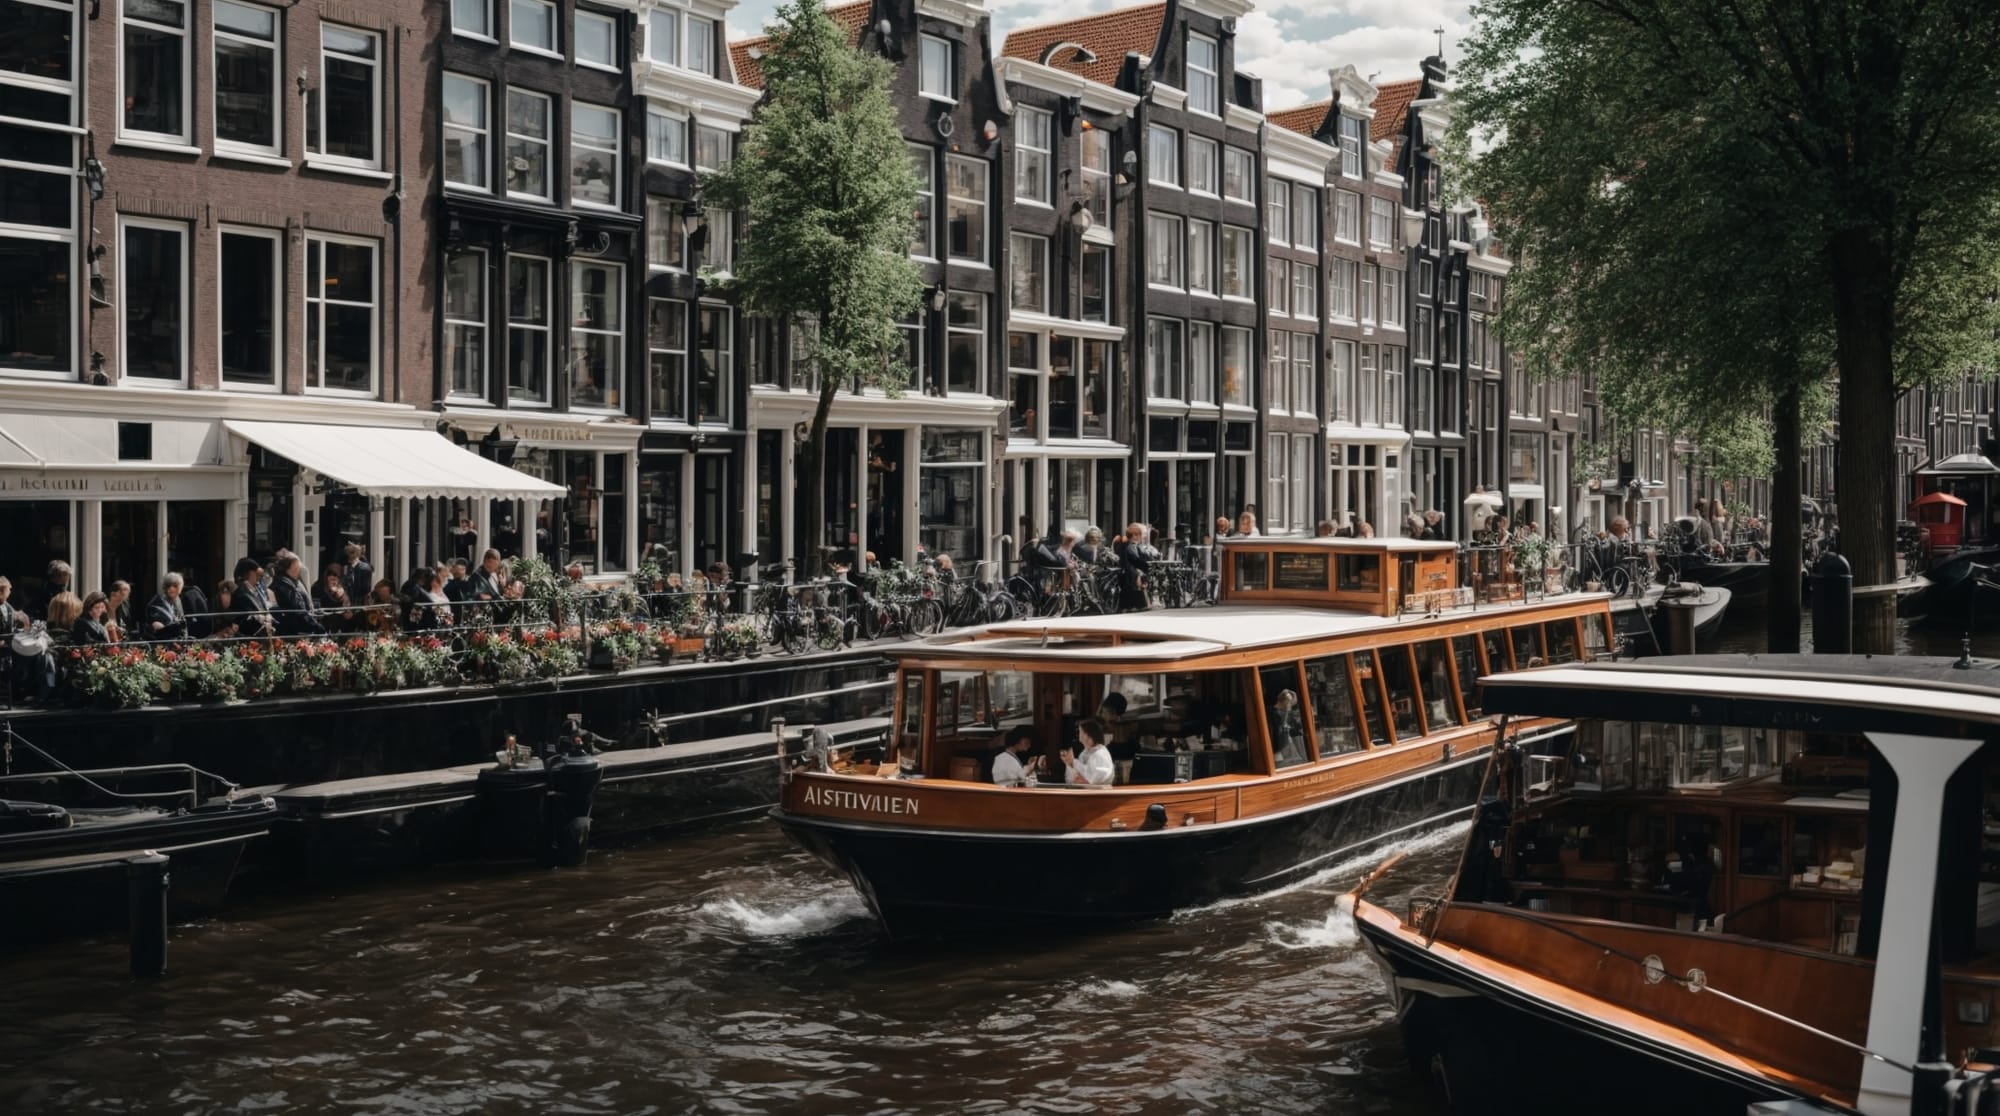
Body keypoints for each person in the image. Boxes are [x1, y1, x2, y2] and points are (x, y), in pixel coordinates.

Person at [271, 555, 324, 636]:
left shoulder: (293, 582)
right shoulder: (285, 584)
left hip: (298, 624)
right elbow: (297, 607)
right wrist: (314, 625)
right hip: (293, 628)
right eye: (296, 569)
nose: (298, 571)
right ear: (288, 570)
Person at [1113, 522, 1157, 613]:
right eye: (1142, 534)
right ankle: (1137, 605)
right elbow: (1135, 559)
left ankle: (1127, 607)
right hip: (1131, 572)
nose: (1143, 537)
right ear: (1136, 535)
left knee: (1128, 590)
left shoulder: (1126, 545)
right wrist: (1146, 565)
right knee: (1135, 588)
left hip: (1126, 571)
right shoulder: (1131, 546)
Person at [1061, 719, 1115, 786]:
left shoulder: (1101, 753)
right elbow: (1072, 779)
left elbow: (1094, 777)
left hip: (1100, 794)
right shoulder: (1084, 753)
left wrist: (1073, 762)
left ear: (1088, 735)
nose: (1079, 735)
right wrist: (1069, 764)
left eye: (1080, 731)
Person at [1269, 688, 1308, 766]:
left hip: (1286, 747)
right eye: (1290, 704)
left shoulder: (1286, 713)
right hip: (1278, 748)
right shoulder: (1272, 713)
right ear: (1286, 701)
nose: (1290, 707)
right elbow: (1278, 731)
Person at [145, 573, 188, 641]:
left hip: (178, 642)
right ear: (164, 587)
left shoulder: (177, 600)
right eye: (168, 586)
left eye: (175, 586)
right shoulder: (155, 603)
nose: (171, 588)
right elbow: (157, 627)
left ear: (180, 588)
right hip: (161, 643)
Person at [312, 564, 357, 631]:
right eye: (330, 574)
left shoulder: (344, 587)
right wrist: (331, 592)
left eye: (336, 575)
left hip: (341, 625)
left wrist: (342, 595)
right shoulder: (318, 587)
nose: (332, 577)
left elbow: (349, 606)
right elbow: (320, 606)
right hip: (325, 623)